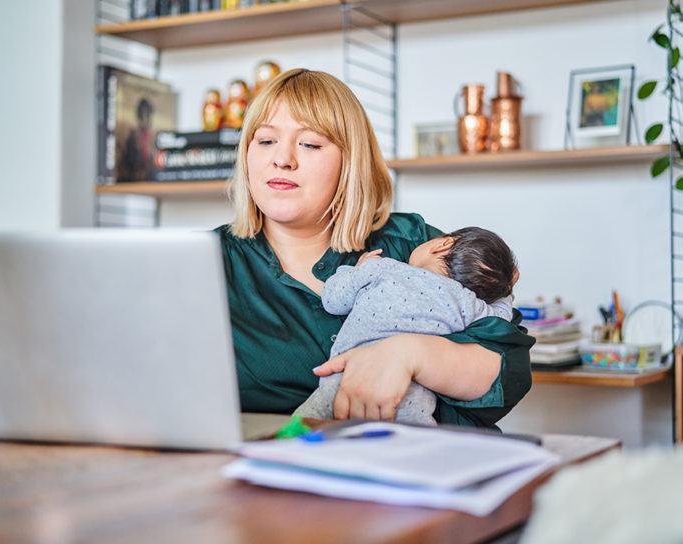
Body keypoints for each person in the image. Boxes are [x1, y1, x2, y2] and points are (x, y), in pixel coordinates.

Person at [216, 68, 534, 429]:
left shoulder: (415, 243)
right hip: (280, 467)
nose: (283, 159)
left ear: (350, 162)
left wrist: (410, 355)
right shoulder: (207, 261)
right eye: (266, 140)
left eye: (310, 144)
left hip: (423, 466)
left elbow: (510, 367)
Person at [294, 226, 518, 426]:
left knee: (300, 429)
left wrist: (355, 269)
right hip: (408, 394)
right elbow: (500, 318)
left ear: (443, 244)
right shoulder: (467, 303)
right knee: (412, 446)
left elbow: (332, 300)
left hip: (343, 377)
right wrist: (506, 293)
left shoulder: (384, 269)